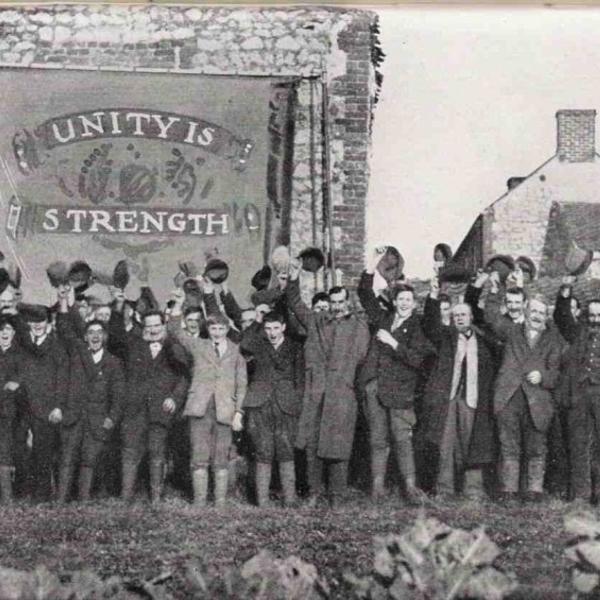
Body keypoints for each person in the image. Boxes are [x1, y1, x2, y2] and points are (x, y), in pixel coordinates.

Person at [285, 259, 369, 507]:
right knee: (312, 445)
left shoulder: (358, 326)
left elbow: (361, 356)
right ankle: (313, 493)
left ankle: (337, 496)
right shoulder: (316, 321)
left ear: (348, 303)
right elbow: (296, 302)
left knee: (339, 446)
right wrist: (293, 278)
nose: (337, 307)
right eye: (333, 303)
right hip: (316, 393)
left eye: (341, 303)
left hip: (342, 393)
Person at [357, 249, 433, 502]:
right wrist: (372, 263)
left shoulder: (418, 327)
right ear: (395, 301)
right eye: (400, 299)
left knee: (402, 440)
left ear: (414, 303)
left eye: (408, 300)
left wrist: (393, 343)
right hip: (376, 389)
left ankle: (410, 489)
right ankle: (377, 489)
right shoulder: (384, 318)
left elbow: (417, 360)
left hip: (401, 392)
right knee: (378, 440)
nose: (404, 303)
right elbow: (365, 294)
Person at [483, 272, 563, 502]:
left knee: (537, 447)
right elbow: (490, 317)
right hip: (509, 396)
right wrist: (495, 290)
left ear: (546, 315)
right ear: (526, 311)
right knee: (509, 445)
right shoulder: (511, 331)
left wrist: (543, 376)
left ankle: (533, 491)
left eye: (541, 312)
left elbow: (556, 373)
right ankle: (509, 491)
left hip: (538, 400)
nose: (537, 316)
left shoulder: (552, 340)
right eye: (533, 311)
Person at [168, 290, 247, 507]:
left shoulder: (236, 352)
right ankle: (200, 502)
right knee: (199, 455)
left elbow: (242, 385)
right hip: (200, 408)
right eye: (213, 328)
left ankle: (220, 502)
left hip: (225, 410)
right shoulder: (199, 346)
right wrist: (179, 304)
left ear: (227, 330)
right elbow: (175, 330)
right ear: (208, 329)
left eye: (221, 328)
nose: (217, 332)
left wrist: (239, 412)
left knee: (221, 456)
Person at [422, 279, 497, 500]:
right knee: (446, 443)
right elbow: (430, 324)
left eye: (464, 315)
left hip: (473, 399)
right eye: (456, 316)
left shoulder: (484, 342)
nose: (460, 318)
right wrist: (433, 295)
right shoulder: (446, 337)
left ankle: (473, 490)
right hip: (449, 398)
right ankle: (444, 489)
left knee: (472, 442)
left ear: (472, 317)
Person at [55, 287, 125, 502]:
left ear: (105, 337)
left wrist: (110, 419)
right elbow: (65, 328)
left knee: (89, 461)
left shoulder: (114, 362)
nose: (95, 336)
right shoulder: (78, 352)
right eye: (91, 333)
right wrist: (64, 302)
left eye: (99, 333)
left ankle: (84, 501)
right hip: (74, 417)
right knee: (67, 459)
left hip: (97, 420)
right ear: (85, 337)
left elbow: (119, 395)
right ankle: (60, 501)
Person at [115, 308, 188, 503]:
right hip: (134, 411)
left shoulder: (174, 347)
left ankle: (156, 498)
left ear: (163, 325)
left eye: (157, 325)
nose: (153, 329)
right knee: (129, 453)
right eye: (149, 326)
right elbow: (117, 339)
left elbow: (183, 376)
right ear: (143, 327)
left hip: (160, 411)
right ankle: (125, 498)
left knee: (157, 454)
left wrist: (174, 398)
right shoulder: (134, 346)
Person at [240, 312, 304, 507]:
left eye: (276, 328)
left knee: (286, 450)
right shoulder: (258, 344)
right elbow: (244, 344)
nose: (272, 333)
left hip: (286, 404)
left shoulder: (295, 347)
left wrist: (296, 402)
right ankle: (262, 501)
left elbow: (300, 380)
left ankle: (290, 499)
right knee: (263, 450)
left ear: (283, 327)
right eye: (268, 328)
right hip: (260, 404)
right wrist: (257, 322)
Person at [554, 278, 600, 502]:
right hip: (579, 397)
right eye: (592, 316)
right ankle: (581, 496)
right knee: (579, 445)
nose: (596, 320)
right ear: (585, 316)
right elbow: (562, 317)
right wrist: (565, 290)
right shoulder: (577, 333)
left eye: (599, 316)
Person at [15, 303, 67, 501]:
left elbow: (62, 378)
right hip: (24, 406)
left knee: (42, 451)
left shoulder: (57, 346)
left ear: (49, 322)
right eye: (33, 321)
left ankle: (42, 495)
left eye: (41, 321)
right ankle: (25, 491)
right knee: (23, 449)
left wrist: (58, 406)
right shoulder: (24, 344)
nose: (37, 325)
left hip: (46, 407)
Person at [0, 315, 22, 503]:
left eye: (8, 329)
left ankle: (7, 498)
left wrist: (17, 382)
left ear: (14, 333)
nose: (4, 333)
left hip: (11, 412)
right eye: (1, 329)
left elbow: (26, 378)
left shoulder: (20, 355)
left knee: (5, 450)